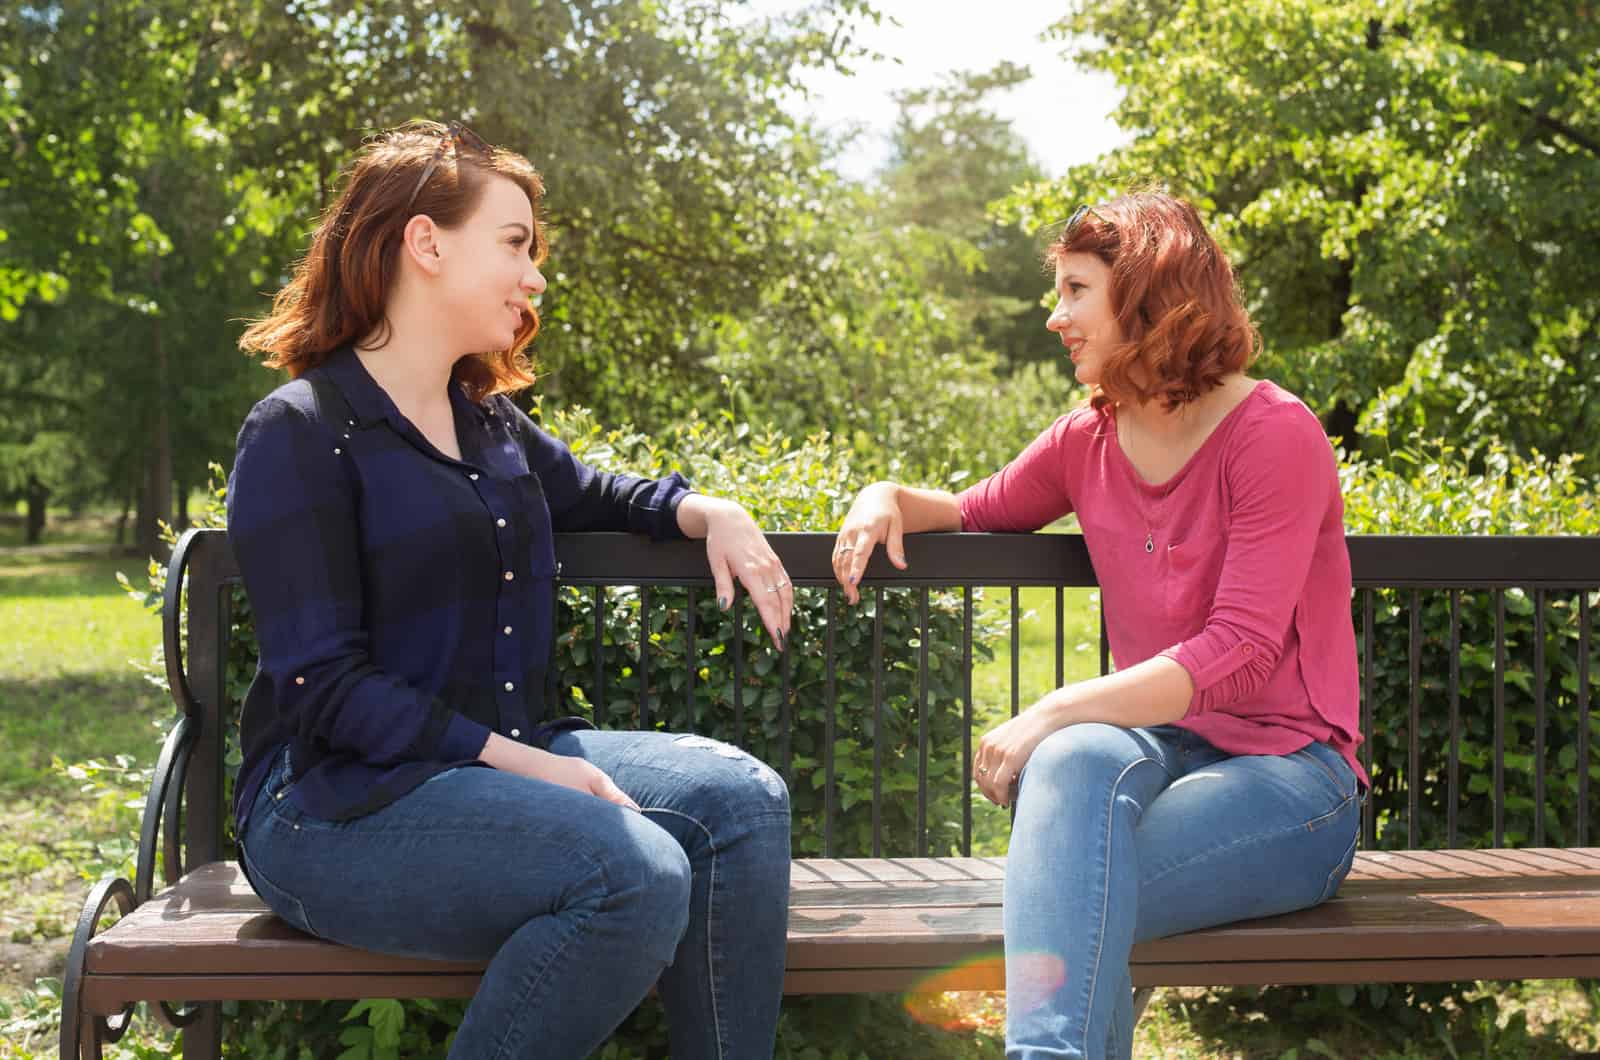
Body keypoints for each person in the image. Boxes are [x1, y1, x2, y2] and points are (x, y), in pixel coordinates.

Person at [227, 120, 793, 1060]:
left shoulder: (486, 422)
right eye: (516, 244)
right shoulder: (300, 431)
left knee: (742, 797)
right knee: (633, 872)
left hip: (495, 763)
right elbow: (322, 688)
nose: (535, 276)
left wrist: (708, 510)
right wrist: (530, 766)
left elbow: (599, 493)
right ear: (426, 243)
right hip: (334, 809)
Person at [831, 191, 1363, 1059]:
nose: (1055, 316)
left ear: (1147, 295)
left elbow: (1241, 647)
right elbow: (975, 508)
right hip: (1158, 755)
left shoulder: (1275, 433)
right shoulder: (1089, 436)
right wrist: (883, 496)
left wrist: (1051, 708)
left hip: (1291, 783)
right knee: (1078, 769)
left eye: (1077, 290)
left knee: (1074, 888)